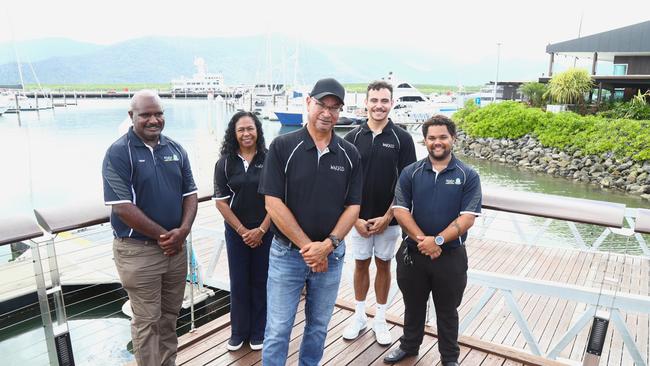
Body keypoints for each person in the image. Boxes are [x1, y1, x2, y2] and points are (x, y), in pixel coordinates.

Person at [258, 78, 363, 365]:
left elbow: (353, 207)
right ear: (308, 102)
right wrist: (310, 249)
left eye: (334, 107)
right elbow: (272, 202)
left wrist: (328, 246)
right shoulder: (282, 147)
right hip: (287, 255)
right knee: (278, 329)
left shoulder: (349, 154)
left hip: (331, 256)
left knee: (318, 328)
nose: (327, 113)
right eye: (321, 104)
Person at [102, 90, 198, 365]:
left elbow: (190, 194)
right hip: (138, 252)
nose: (153, 119)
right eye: (146, 114)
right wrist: (164, 235)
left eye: (158, 113)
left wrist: (183, 231)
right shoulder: (119, 153)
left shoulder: (176, 149)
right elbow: (122, 206)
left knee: (170, 317)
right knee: (147, 323)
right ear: (132, 116)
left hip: (175, 249)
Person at [384, 115, 482, 365]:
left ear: (453, 139)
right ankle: (409, 346)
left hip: (450, 256)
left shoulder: (468, 175)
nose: (437, 142)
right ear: (425, 140)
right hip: (413, 253)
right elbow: (400, 210)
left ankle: (449, 358)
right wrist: (423, 241)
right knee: (413, 304)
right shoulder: (411, 172)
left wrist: (436, 241)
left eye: (442, 137)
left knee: (447, 311)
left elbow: (468, 218)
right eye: (432, 138)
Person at [342, 81, 416, 345]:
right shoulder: (351, 137)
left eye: (384, 101)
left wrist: (388, 217)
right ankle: (359, 317)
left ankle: (381, 319)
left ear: (391, 103)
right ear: (365, 103)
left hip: (389, 220)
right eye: (374, 100)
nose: (379, 106)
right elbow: (345, 182)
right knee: (360, 264)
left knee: (384, 265)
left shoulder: (402, 139)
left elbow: (406, 183)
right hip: (358, 219)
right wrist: (356, 218)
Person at [213, 111, 272, 352]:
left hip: (266, 231)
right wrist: (242, 230)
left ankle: (259, 331)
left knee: (261, 281)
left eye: (250, 128)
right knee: (238, 282)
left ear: (257, 130)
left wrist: (260, 230)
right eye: (241, 130)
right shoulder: (225, 163)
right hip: (236, 233)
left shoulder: (270, 159)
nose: (246, 133)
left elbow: (278, 199)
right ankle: (238, 332)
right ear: (234, 134)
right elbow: (220, 201)